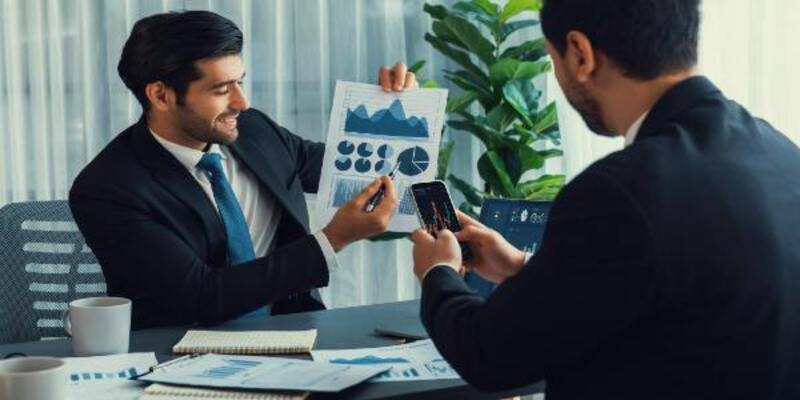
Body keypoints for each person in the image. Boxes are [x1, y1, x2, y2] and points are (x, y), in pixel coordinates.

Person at [411, 0, 800, 399]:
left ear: (580, 53)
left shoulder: (620, 192)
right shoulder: (781, 152)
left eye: (553, 59)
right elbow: (682, 293)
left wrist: (437, 271)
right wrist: (524, 269)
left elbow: (490, 355)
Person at [69, 10, 413, 329]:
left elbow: (364, 174)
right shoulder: (108, 187)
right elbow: (199, 296)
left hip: (293, 336)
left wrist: (403, 110)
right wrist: (333, 239)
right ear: (161, 95)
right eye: (221, 90)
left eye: (240, 82)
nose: (242, 103)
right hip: (179, 356)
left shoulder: (255, 131)